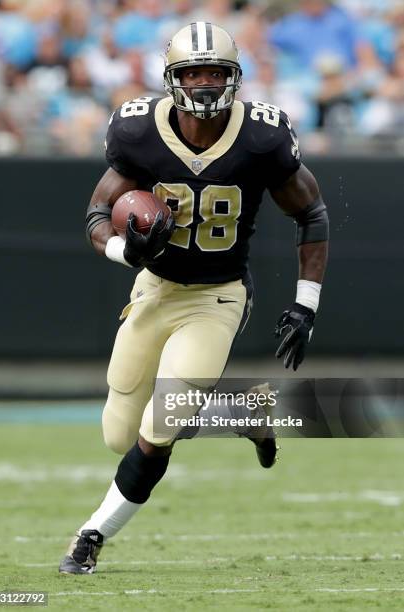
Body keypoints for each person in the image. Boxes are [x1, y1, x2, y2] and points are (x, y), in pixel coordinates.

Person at [59, 21, 329, 574]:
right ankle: (247, 410)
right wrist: (124, 253)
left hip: (218, 296)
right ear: (172, 79)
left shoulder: (262, 136)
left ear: (235, 78)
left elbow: (312, 213)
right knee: (119, 434)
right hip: (154, 289)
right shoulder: (139, 132)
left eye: (216, 73)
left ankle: (90, 537)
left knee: (162, 426)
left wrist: (306, 303)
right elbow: (94, 214)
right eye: (193, 73)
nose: (205, 84)